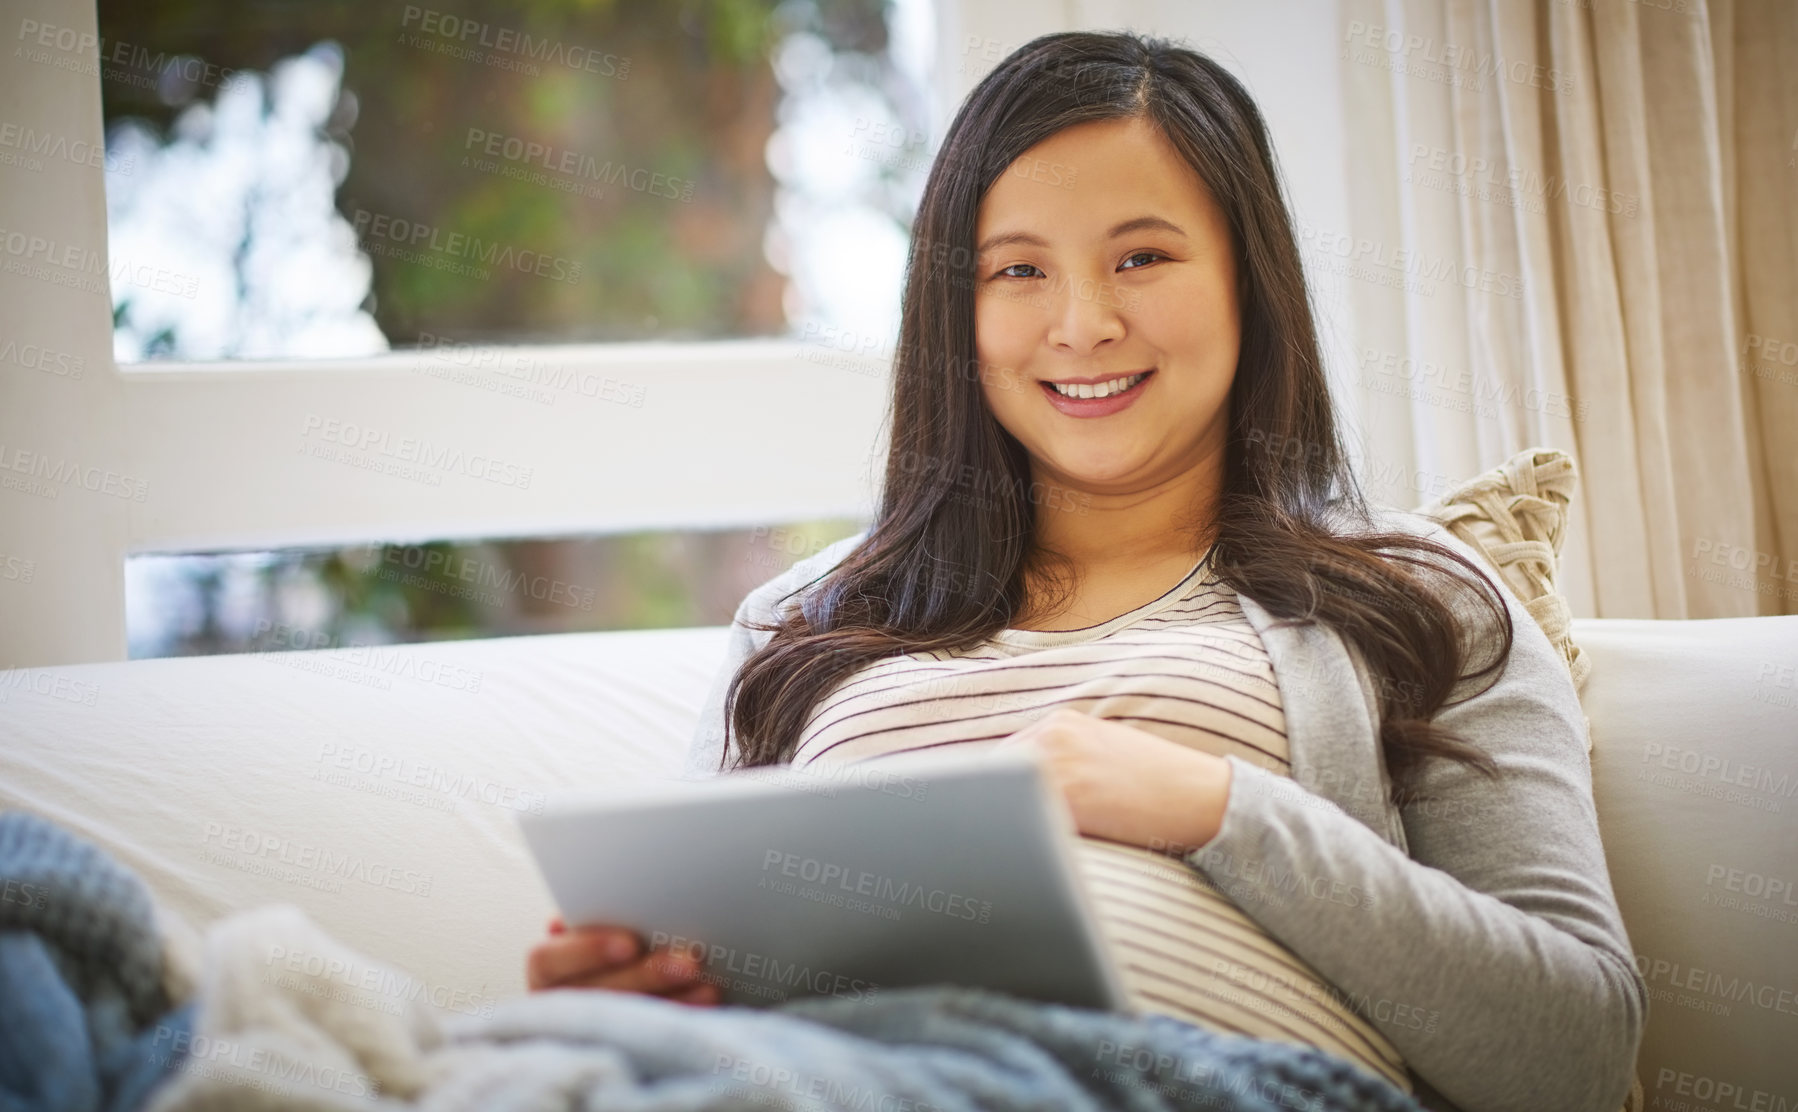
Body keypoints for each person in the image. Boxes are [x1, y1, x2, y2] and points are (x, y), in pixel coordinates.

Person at [526, 30, 1646, 1112]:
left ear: (1248, 282)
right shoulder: (800, 622)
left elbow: (1576, 1054)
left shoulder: (1416, 596)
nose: (1082, 323)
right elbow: (694, 969)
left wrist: (1211, 806)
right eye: (1018, 270)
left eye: (1142, 257)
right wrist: (627, 998)